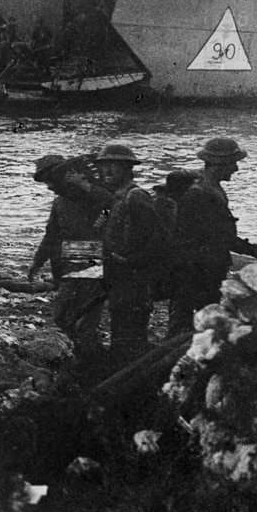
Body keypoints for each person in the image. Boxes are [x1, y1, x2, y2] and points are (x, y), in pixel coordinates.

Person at [167, 138, 257, 338]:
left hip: (203, 268)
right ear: (219, 165)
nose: (236, 169)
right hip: (197, 271)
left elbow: (220, 234)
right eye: (233, 163)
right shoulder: (202, 194)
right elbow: (221, 236)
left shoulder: (208, 189)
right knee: (191, 322)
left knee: (194, 320)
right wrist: (252, 251)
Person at [26, 154, 112, 369]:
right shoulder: (60, 203)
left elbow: (113, 206)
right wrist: (37, 262)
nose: (49, 186)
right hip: (70, 259)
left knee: (86, 314)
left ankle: (89, 359)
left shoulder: (91, 196)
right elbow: (51, 235)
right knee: (63, 316)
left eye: (51, 180)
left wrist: (86, 187)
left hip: (90, 256)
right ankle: (86, 352)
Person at [93, 143, 163, 362]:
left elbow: (157, 240)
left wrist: (129, 261)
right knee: (121, 333)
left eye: (114, 166)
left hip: (132, 279)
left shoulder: (136, 197)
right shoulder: (116, 198)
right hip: (119, 278)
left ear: (128, 169)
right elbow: (100, 228)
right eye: (104, 166)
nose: (107, 171)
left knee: (130, 338)